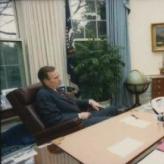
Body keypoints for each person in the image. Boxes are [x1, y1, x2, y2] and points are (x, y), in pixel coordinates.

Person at [35, 66, 119, 127]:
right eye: (56, 78)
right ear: (46, 81)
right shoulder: (43, 95)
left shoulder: (56, 89)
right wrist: (79, 116)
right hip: (74, 123)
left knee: (113, 109)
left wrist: (89, 101)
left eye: (58, 76)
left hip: (82, 116)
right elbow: (53, 119)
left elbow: (72, 101)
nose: (60, 79)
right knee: (110, 121)